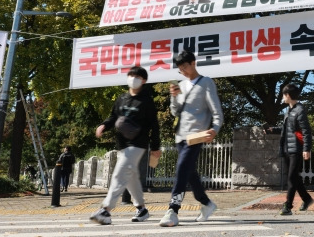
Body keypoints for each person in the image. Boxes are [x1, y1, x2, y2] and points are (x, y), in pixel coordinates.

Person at [159, 50, 223, 227]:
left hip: (196, 135)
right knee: (189, 173)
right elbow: (175, 112)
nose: (183, 71)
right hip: (180, 135)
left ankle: (173, 209)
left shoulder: (206, 82)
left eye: (185, 67)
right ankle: (206, 203)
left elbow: (216, 111)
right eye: (180, 69)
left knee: (181, 168)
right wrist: (173, 97)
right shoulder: (181, 84)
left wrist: (215, 129)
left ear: (193, 63)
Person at [90, 66, 162, 225]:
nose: (133, 78)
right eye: (131, 75)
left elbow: (154, 125)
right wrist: (104, 125)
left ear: (143, 80)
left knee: (119, 173)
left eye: (137, 76)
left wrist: (156, 147)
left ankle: (106, 210)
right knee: (131, 178)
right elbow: (113, 116)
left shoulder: (146, 100)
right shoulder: (122, 98)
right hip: (122, 143)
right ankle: (142, 209)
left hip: (138, 144)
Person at [265, 84, 313, 215]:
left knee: (291, 178)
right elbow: (287, 130)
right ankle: (307, 198)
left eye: (284, 95)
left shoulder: (300, 110)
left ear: (288, 95)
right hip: (286, 148)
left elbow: (306, 131)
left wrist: (306, 148)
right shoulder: (288, 111)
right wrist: (273, 130)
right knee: (294, 177)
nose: (282, 97)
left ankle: (288, 206)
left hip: (297, 149)